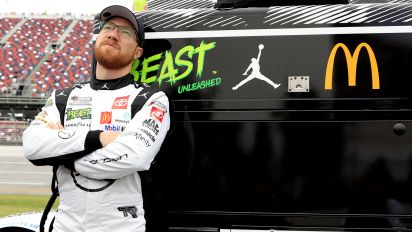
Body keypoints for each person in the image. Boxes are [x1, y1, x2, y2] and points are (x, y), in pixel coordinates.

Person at [23, 5, 170, 232]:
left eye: (126, 32)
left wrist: (64, 155)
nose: (113, 34)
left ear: (137, 52)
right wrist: (99, 138)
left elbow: (133, 157)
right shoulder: (63, 97)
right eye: (108, 28)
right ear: (96, 39)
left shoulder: (150, 98)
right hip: (65, 227)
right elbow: (33, 146)